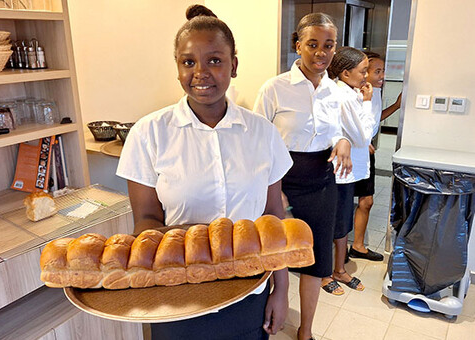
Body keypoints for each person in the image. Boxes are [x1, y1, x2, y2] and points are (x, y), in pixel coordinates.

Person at [116, 5, 293, 340]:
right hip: (179, 295)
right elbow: (146, 221)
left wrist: (281, 288)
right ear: (178, 68)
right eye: (188, 62)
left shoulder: (262, 133)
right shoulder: (149, 133)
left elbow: (274, 217)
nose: (201, 72)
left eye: (214, 60)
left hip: (249, 291)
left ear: (233, 65)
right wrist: (189, 238)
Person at [253, 13, 367, 340]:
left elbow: (353, 135)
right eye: (313, 44)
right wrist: (271, 187)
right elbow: (258, 142)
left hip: (321, 182)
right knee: (272, 253)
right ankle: (266, 320)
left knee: (316, 261)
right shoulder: (275, 88)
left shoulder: (336, 92)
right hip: (281, 181)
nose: (321, 52)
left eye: (328, 46)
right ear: (298, 44)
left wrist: (342, 141)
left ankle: (306, 330)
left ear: (335, 49)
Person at [320, 47, 376, 295]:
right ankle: (324, 273)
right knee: (330, 223)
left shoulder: (349, 92)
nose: (367, 76)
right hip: (338, 171)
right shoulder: (342, 96)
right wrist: (367, 103)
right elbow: (363, 135)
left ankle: (339, 269)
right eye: (363, 70)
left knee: (341, 222)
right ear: (345, 72)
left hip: (348, 171)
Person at [348, 52, 402, 261]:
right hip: (351, 154)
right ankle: (340, 248)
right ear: (363, 73)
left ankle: (358, 246)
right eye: (377, 71)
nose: (383, 76)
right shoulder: (352, 94)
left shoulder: (375, 92)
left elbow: (373, 120)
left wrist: (396, 106)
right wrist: (362, 140)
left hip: (365, 152)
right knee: (345, 203)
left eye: (383, 71)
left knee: (366, 201)